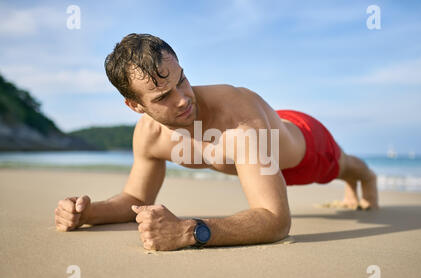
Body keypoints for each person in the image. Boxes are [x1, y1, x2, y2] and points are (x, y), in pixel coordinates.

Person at [54, 33, 378, 251]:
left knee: (345, 167)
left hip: (303, 144)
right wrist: (89, 213)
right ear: (135, 106)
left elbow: (276, 221)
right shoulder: (149, 135)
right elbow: (135, 197)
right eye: (165, 96)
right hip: (261, 162)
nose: (183, 99)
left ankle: (367, 180)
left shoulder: (238, 120)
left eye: (182, 80)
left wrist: (187, 231)